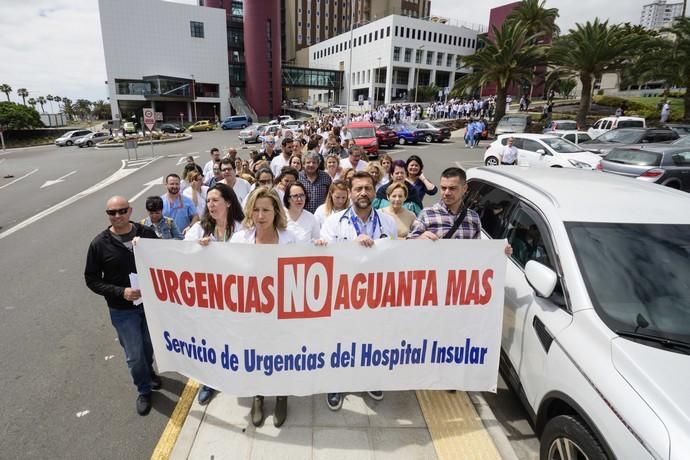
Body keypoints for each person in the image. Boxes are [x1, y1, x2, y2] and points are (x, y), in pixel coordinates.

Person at [319, 171, 397, 410]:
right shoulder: (333, 222)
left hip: (374, 295)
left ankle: (368, 378)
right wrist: (350, 248)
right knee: (338, 341)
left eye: (368, 188)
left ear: (375, 192)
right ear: (350, 193)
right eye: (358, 189)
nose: (363, 193)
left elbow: (394, 258)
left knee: (371, 339)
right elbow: (325, 258)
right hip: (341, 294)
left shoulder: (387, 223)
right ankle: (335, 383)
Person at [84, 196, 161, 416]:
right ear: (107, 215)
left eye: (122, 211)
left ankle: (149, 373)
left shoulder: (146, 234)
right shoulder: (99, 244)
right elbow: (92, 279)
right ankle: (144, 390)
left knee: (148, 346)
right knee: (134, 354)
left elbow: (166, 259)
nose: (117, 216)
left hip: (150, 306)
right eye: (112, 212)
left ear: (130, 210)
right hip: (122, 310)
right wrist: (121, 292)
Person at [230, 187, 297, 427]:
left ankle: (281, 395)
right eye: (256, 210)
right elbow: (224, 270)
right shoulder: (238, 240)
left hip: (282, 313)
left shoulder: (291, 240)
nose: (260, 215)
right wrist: (207, 249)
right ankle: (258, 395)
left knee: (281, 354)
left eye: (266, 210)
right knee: (255, 353)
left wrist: (320, 247)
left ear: (276, 211)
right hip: (252, 313)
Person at [184, 183, 245, 405]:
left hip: (238, 297)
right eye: (208, 200)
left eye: (215, 200)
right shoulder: (199, 229)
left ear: (228, 202)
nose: (210, 204)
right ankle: (208, 382)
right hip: (209, 298)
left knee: (236, 338)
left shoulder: (243, 228)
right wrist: (197, 249)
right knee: (209, 339)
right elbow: (181, 255)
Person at [407, 167, 513, 260]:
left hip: (460, 280)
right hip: (434, 279)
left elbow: (477, 252)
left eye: (452, 188)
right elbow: (406, 248)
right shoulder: (426, 214)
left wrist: (500, 252)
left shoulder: (473, 218)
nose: (447, 193)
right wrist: (418, 240)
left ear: (464, 188)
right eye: (443, 188)